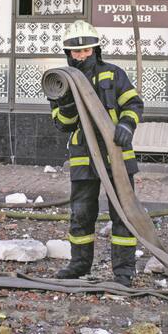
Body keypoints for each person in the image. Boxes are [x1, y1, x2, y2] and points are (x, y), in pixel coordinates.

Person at [48, 20, 144, 287]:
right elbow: (61, 125)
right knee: (81, 213)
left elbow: (134, 104)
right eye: (76, 52)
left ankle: (124, 271)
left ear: (96, 49)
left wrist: (126, 125)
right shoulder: (60, 82)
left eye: (86, 51)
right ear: (68, 53)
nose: (81, 56)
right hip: (83, 156)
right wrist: (66, 103)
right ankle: (79, 264)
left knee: (124, 213)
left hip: (117, 156)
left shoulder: (113, 74)